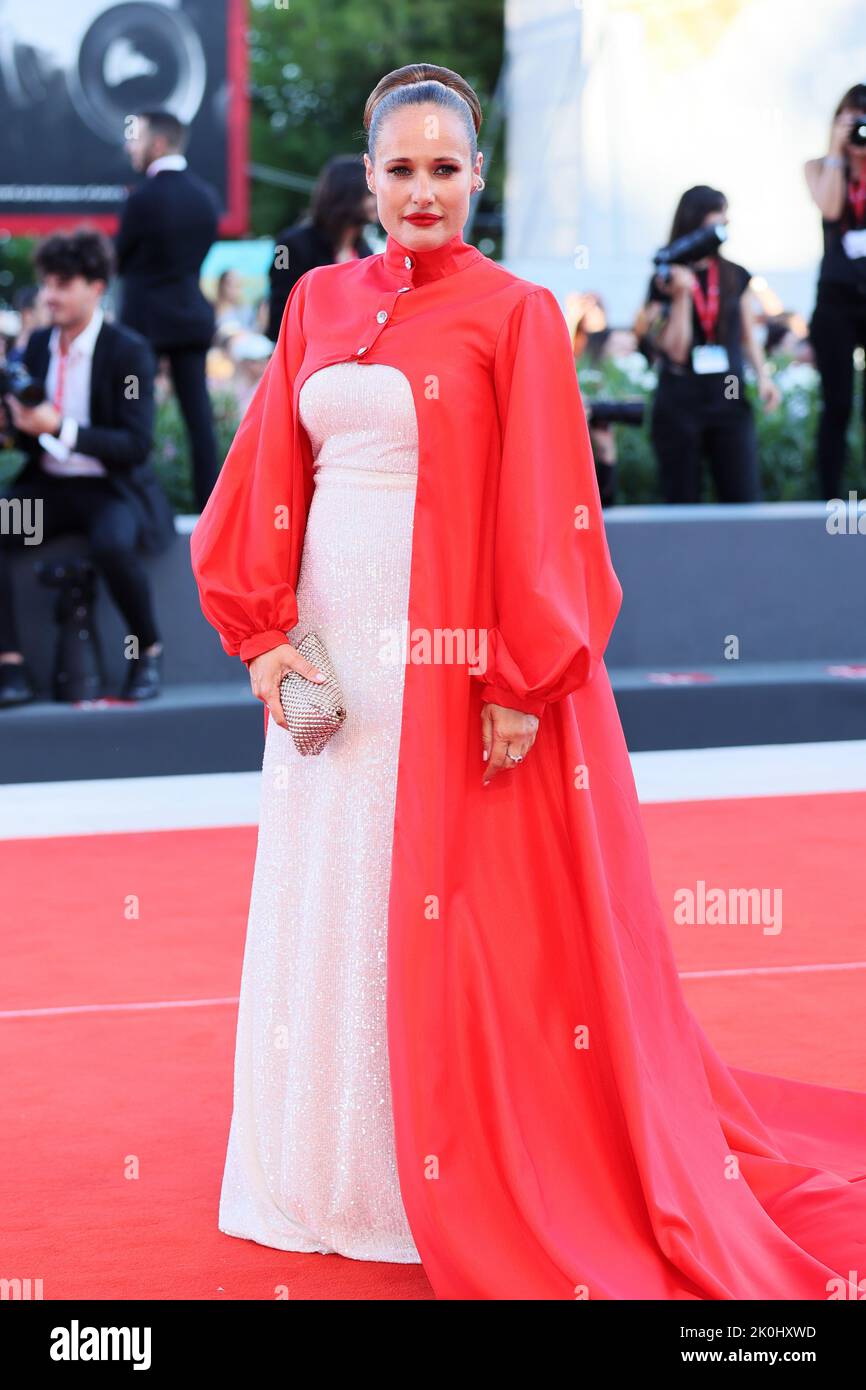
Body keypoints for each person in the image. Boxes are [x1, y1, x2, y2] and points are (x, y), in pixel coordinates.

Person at [190, 65, 866, 1299]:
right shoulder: (317, 304)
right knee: (331, 887)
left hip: (446, 659)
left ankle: (420, 1179)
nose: (421, 190)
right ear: (371, 175)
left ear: (478, 176)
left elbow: (548, 510)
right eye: (399, 168)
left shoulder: (513, 313)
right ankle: (315, 1171)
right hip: (332, 654)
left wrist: (515, 674)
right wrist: (265, 637)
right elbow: (263, 478)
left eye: (445, 167)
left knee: (442, 908)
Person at [0, 229, 175, 707]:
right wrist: (11, 427)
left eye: (62, 284)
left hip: (110, 489)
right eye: (46, 284)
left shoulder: (128, 351)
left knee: (113, 544)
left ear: (96, 287)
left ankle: (148, 651)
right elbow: (23, 434)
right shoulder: (34, 347)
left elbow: (136, 446)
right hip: (48, 490)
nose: (48, 296)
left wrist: (60, 426)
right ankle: (10, 664)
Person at [637, 185, 780, 503]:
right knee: (681, 501)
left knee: (742, 495)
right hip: (680, 400)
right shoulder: (664, 277)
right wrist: (681, 297)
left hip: (728, 396)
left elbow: (746, 333)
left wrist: (763, 376)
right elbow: (674, 349)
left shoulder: (734, 274)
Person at [116, 110, 221, 510]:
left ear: (157, 144)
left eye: (135, 138)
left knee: (131, 419)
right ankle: (210, 511)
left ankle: (132, 507)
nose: (130, 147)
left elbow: (119, 259)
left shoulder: (140, 198)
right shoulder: (206, 197)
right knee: (200, 421)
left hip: (142, 325)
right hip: (190, 319)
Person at [804, 83, 866, 498]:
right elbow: (829, 208)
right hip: (836, 298)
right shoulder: (819, 166)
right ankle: (829, 497)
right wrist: (837, 150)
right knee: (837, 403)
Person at [266, 154, 378, 342]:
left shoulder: (365, 252)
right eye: (369, 194)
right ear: (346, 195)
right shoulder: (287, 245)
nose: (377, 201)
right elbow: (279, 307)